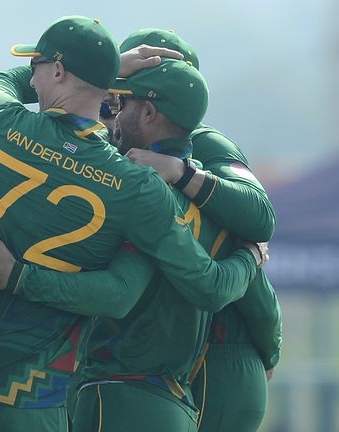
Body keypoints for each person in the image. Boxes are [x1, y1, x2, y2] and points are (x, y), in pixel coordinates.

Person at [0, 16, 262, 432]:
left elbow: (1, 81)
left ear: (56, 71)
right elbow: (168, 290)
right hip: (26, 391)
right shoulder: (137, 185)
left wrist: (110, 68)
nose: (32, 80)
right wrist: (249, 258)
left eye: (38, 65)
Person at [118, 29, 282, 432]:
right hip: (150, 356)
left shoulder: (203, 144)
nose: (112, 104)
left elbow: (258, 222)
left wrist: (180, 171)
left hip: (219, 351)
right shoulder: (111, 139)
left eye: (122, 96)